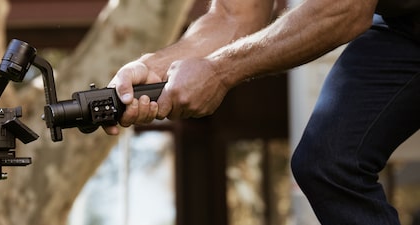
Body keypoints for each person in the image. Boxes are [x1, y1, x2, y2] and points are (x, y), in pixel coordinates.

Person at [104, 0, 420, 224]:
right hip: (403, 28)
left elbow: (345, 9)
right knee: (327, 161)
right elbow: (234, 16)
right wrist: (153, 68)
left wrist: (219, 71)